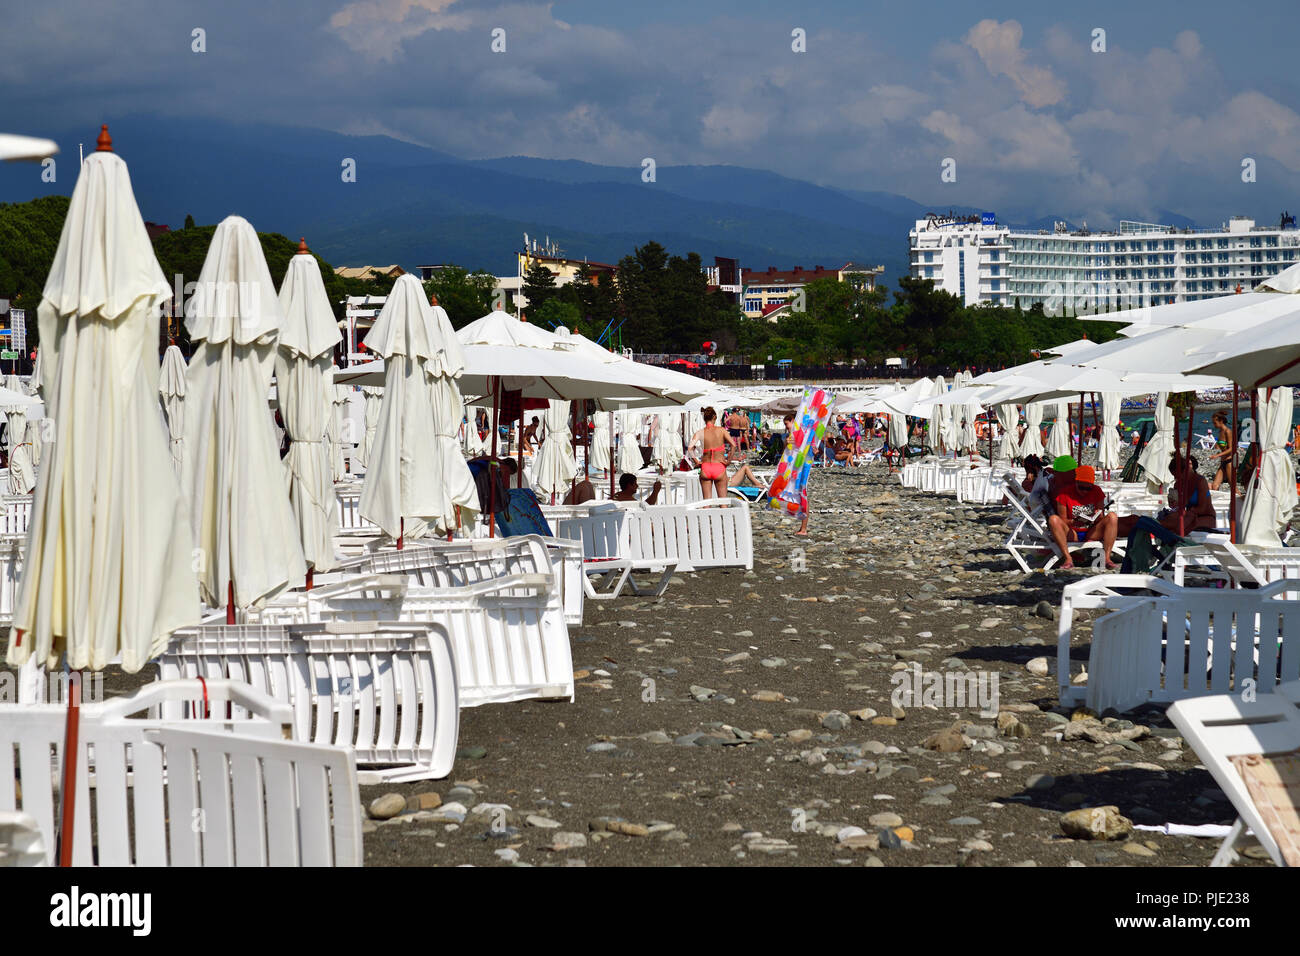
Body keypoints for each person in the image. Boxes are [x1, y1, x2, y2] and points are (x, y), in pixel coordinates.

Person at [1117, 452, 1217, 537]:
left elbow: (1203, 508)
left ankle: (1146, 527)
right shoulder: (1179, 484)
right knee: (1154, 520)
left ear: (1184, 471)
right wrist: (1174, 503)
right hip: (1189, 517)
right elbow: (1178, 506)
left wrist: (1184, 511)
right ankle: (1134, 524)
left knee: (1164, 523)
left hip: (1205, 518)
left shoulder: (1200, 481)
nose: (1176, 479)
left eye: (1176, 475)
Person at [1047, 461, 1119, 570]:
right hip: (1072, 532)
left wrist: (1097, 516)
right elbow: (1062, 520)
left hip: (1092, 532)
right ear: (1076, 482)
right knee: (1053, 519)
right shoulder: (1064, 493)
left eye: (1088, 488)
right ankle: (1068, 558)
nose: (1085, 491)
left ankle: (1107, 558)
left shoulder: (1097, 491)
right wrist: (1073, 522)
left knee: (1112, 516)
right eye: (1081, 487)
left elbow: (1101, 518)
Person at [687, 406, 738, 499]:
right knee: (723, 503)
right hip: (719, 466)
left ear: (704, 418)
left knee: (707, 504)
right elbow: (733, 445)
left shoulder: (700, 432)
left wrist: (697, 462)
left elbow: (690, 448)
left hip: (705, 467)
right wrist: (728, 461)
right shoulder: (722, 430)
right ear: (715, 417)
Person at [1209, 412, 1236, 491]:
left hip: (1229, 461)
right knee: (1215, 486)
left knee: (1233, 487)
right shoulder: (1220, 432)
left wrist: (1217, 455)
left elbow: (1232, 448)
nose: (1214, 425)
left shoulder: (1228, 431)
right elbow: (1220, 445)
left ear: (1221, 421)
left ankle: (1242, 501)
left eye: (1215, 423)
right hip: (1223, 461)